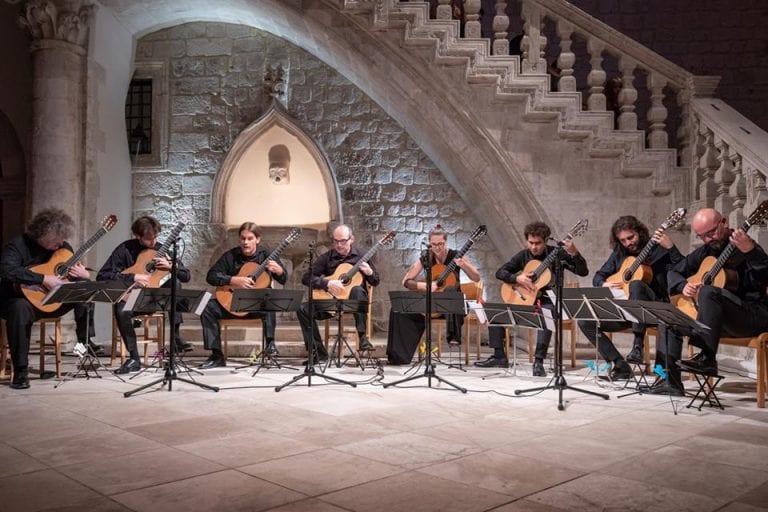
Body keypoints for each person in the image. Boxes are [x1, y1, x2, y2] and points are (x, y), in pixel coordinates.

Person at [653, 208, 768, 395]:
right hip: (716, 321)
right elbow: (674, 272)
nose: (708, 239)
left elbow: (764, 276)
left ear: (723, 222)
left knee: (708, 291)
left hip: (751, 315)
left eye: (711, 233)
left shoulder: (747, 246)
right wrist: (683, 285)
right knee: (669, 319)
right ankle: (669, 383)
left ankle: (707, 358)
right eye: (702, 236)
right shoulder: (706, 251)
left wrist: (750, 251)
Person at [475, 221, 588, 376]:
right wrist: (517, 278)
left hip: (548, 301)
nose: (534, 247)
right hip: (525, 300)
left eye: (538, 243)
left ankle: (538, 361)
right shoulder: (523, 255)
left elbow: (583, 271)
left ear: (546, 240)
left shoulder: (557, 254)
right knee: (495, 311)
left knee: (546, 314)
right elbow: (500, 272)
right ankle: (499, 356)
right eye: (531, 242)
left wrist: (574, 253)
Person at [578, 215, 683, 381]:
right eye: (623, 240)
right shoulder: (620, 252)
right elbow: (598, 277)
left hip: (653, 310)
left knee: (636, 285)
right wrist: (604, 284)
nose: (628, 243)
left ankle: (637, 345)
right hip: (628, 310)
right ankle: (619, 365)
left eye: (630, 237)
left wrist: (671, 247)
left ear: (640, 232)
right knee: (584, 320)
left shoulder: (659, 249)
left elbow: (684, 269)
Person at [0, 208, 94, 389]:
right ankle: (20, 371)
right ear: (42, 235)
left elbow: (69, 276)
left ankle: (84, 345)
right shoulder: (18, 246)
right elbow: (7, 271)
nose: (60, 246)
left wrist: (82, 275)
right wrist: (43, 279)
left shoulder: (63, 247)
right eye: (56, 242)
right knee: (20, 309)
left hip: (51, 301)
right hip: (19, 301)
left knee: (84, 293)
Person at [96, 216, 192, 374]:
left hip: (156, 299)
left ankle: (175, 338)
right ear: (137, 236)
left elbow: (186, 276)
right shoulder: (125, 249)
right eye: (148, 239)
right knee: (120, 309)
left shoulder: (162, 249)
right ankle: (134, 358)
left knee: (176, 283)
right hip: (132, 299)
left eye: (155, 237)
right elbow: (103, 275)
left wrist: (170, 267)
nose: (153, 242)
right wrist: (133, 277)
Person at [386, 225, 481, 365]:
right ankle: (398, 357)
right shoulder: (425, 257)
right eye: (434, 244)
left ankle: (453, 336)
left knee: (450, 292)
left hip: (453, 308)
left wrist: (465, 265)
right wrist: (425, 286)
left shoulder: (456, 255)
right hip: (431, 304)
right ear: (430, 243)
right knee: (398, 310)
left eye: (441, 244)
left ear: (446, 242)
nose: (437, 248)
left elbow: (476, 278)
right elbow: (406, 281)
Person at [198, 222, 288, 368]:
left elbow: (283, 279)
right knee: (205, 306)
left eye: (250, 238)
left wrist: (280, 271)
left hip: (254, 308)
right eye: (243, 238)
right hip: (232, 305)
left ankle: (270, 344)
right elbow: (211, 276)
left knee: (269, 299)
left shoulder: (267, 255)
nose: (245, 242)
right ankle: (216, 355)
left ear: (257, 239)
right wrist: (234, 280)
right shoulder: (230, 256)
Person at [297, 224, 379, 361]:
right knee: (302, 309)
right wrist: (327, 283)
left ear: (351, 239)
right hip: (331, 302)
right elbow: (306, 278)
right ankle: (318, 353)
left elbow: (375, 281)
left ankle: (362, 337)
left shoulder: (362, 256)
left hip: (353, 303)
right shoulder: (326, 258)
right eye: (336, 241)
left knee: (358, 289)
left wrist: (370, 273)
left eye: (343, 241)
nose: (339, 245)